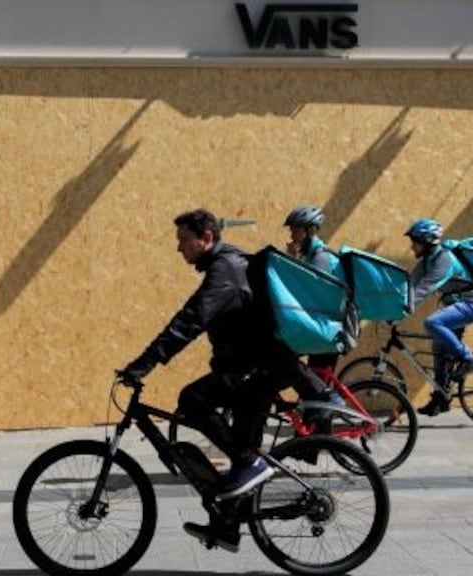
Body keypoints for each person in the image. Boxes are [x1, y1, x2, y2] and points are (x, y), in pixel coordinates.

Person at [119, 208, 305, 552]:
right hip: (254, 369)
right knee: (237, 457)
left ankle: (251, 463)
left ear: (206, 238)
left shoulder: (226, 271)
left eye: (184, 241)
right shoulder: (224, 268)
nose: (179, 249)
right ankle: (227, 529)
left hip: (260, 369)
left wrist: (144, 364)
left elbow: (190, 320)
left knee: (193, 400)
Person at [405, 218, 473, 416]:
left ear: (426, 241)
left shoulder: (443, 259)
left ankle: (469, 360)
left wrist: (406, 308)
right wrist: (390, 305)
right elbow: (410, 285)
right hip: (458, 306)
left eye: (415, 241)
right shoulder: (427, 260)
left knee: (433, 322)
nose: (411, 247)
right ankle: (441, 398)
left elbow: (426, 287)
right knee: (439, 346)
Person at [283, 205, 345, 405]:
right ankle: (312, 430)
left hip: (329, 330)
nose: (292, 234)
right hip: (320, 325)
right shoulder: (309, 254)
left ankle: (322, 434)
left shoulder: (320, 257)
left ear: (310, 230)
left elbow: (310, 293)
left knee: (319, 393)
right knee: (311, 384)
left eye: (296, 229)